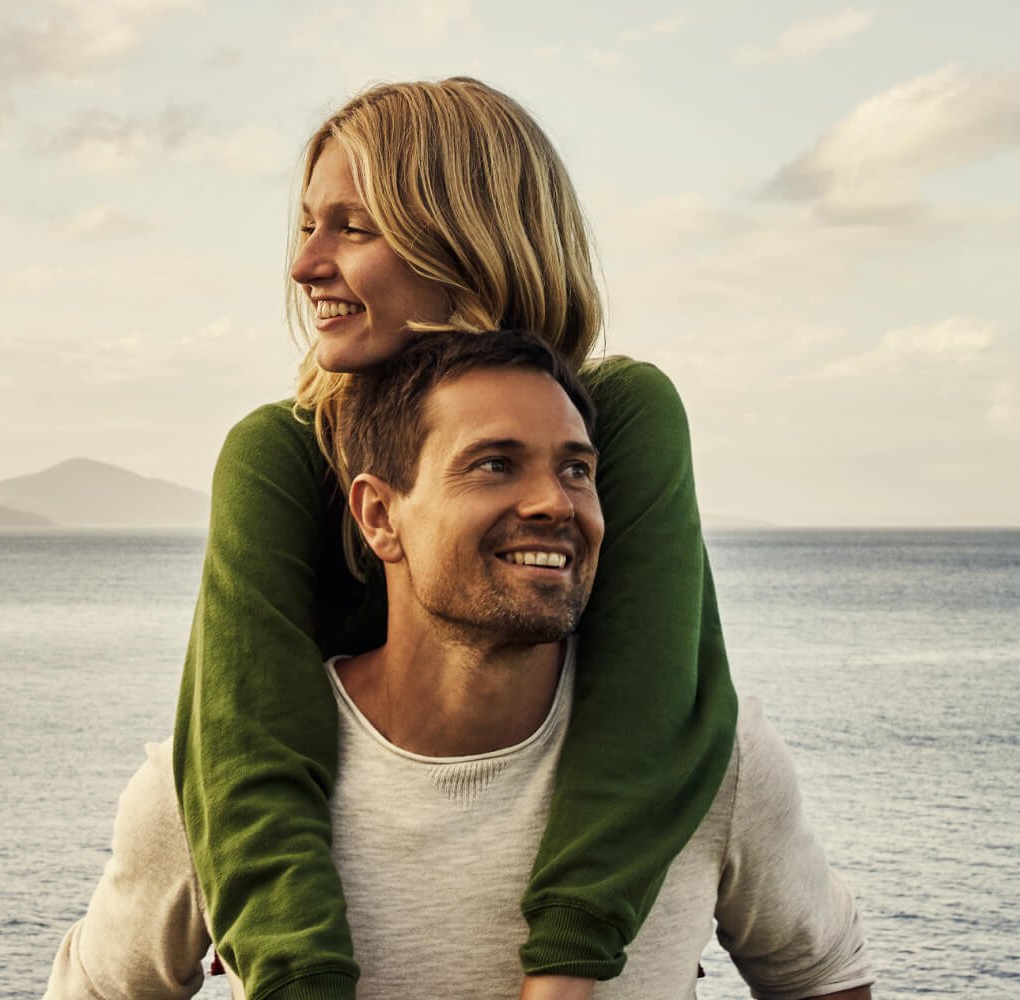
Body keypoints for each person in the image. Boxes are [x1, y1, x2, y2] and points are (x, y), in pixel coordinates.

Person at [46, 331, 873, 1000]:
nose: (556, 502)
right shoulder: (213, 788)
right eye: (494, 464)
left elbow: (823, 976)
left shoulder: (712, 762)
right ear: (380, 515)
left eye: (578, 470)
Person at [173, 77, 739, 1000]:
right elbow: (247, 754)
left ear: (469, 238)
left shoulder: (622, 415)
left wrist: (566, 969)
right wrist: (291, 968)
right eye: (307, 226)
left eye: (352, 229)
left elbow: (651, 702)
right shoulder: (279, 456)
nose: (305, 264)